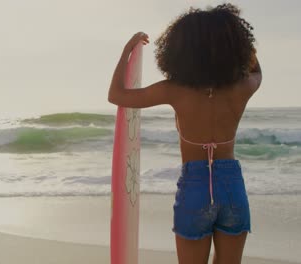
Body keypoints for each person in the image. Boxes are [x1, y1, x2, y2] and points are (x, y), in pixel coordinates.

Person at [107, 3, 262, 264]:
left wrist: (127, 51)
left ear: (181, 50)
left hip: (195, 187)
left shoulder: (174, 90)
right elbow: (257, 70)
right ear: (234, 47)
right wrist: (240, 44)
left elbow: (117, 95)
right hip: (232, 186)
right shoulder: (242, 88)